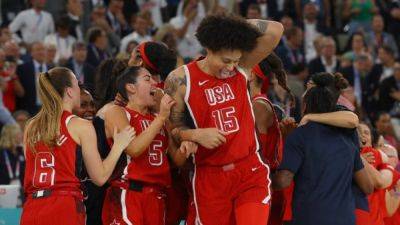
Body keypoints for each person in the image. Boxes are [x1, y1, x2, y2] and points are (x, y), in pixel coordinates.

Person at [164, 14, 284, 225]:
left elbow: (275, 29)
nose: (231, 67)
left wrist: (231, 29)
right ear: (209, 49)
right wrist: (194, 134)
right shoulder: (180, 79)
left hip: (249, 171)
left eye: (235, 61)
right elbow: (172, 129)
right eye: (226, 61)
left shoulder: (242, 67)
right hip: (209, 177)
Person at [20, 67, 135, 225]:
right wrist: (119, 146)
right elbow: (99, 178)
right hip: (64, 206)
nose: (79, 88)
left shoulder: (31, 127)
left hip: (32, 208)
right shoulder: (80, 125)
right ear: (69, 91)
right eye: (76, 84)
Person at [273, 72, 373, 225]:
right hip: (345, 218)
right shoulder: (347, 138)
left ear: (306, 103)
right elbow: (367, 186)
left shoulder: (300, 135)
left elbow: (283, 180)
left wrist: (261, 176)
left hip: (309, 217)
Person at [101, 66, 196, 225]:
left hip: (157, 197)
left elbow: (177, 160)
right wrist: (161, 118)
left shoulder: (160, 119)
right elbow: (134, 149)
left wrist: (186, 147)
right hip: (129, 193)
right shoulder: (117, 112)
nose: (155, 83)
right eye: (147, 79)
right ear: (131, 87)